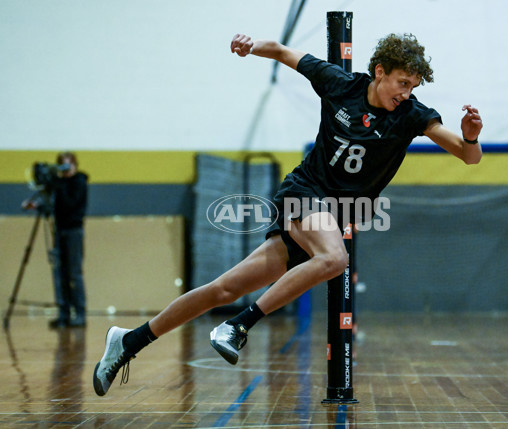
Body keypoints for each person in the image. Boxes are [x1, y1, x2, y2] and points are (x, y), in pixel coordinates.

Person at [93, 32, 483, 396]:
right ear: (380, 72)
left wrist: (470, 135)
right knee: (335, 258)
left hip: (331, 216)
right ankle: (237, 326)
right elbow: (283, 52)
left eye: (413, 86)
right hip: (304, 193)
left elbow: (468, 157)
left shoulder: (412, 115)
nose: (407, 92)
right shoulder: (340, 84)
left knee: (224, 288)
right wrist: (251, 46)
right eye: (402, 83)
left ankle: (129, 340)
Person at [23, 152, 89, 328]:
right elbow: (55, 206)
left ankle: (80, 313)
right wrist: (37, 205)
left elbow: (69, 204)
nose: (66, 170)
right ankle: (64, 314)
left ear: (75, 165)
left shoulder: (79, 182)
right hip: (58, 231)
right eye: (62, 166)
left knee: (74, 273)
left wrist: (56, 185)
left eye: (68, 166)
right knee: (60, 273)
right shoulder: (59, 184)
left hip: (73, 232)